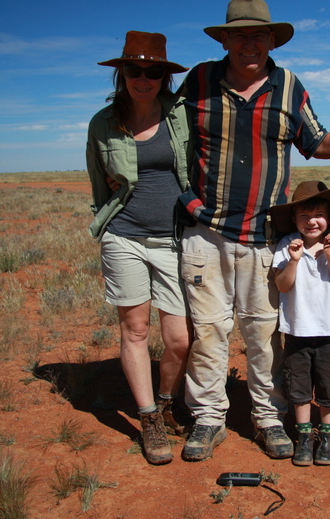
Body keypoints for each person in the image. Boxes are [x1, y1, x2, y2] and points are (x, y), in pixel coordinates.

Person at [177, 0, 330, 462]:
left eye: (258, 34)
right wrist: (185, 198)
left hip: (263, 235)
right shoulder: (198, 81)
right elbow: (170, 137)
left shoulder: (288, 87)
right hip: (205, 230)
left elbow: (317, 142)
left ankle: (268, 417)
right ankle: (207, 418)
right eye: (239, 35)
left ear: (271, 39)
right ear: (226, 39)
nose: (249, 43)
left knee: (264, 334)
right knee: (209, 330)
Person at [86, 30, 193, 465]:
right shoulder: (103, 123)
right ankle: (148, 418)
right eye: (134, 69)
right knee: (134, 329)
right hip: (124, 235)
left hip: (173, 237)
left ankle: (166, 402)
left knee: (180, 339)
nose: (143, 78)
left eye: (153, 71)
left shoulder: (181, 114)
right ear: (122, 73)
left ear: (165, 77)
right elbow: (99, 182)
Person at [270, 181, 330, 466]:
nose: (311, 221)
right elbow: (282, 286)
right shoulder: (286, 245)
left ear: (329, 219)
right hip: (297, 330)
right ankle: (305, 436)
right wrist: (293, 261)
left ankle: (327, 435)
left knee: (329, 385)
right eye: (304, 216)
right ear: (295, 220)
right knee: (299, 384)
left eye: (318, 214)